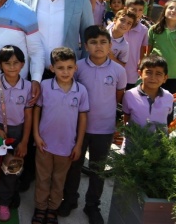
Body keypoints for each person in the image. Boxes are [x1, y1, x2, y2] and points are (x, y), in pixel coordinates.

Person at [59, 26, 126, 223]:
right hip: (77, 128)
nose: (98, 46)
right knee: (74, 166)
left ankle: (92, 205)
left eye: (103, 42)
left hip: (104, 129)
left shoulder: (118, 70)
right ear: (86, 46)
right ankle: (70, 198)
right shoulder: (77, 68)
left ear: (110, 46)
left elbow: (119, 97)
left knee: (97, 169)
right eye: (93, 42)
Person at [32, 47, 88, 224]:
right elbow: (37, 110)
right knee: (42, 178)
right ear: (52, 68)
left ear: (75, 68)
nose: (65, 71)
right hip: (44, 144)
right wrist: (36, 135)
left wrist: (78, 145)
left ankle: (53, 209)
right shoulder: (45, 86)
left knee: (59, 180)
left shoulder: (81, 91)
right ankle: (40, 208)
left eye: (69, 67)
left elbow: (83, 118)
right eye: (60, 67)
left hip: (67, 146)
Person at [0, 45, 32, 222]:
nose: (12, 67)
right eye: (7, 63)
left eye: (16, 63)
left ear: (23, 64)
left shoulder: (27, 87)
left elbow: (28, 114)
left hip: (17, 132)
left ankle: (4, 202)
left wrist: (25, 141)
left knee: (12, 168)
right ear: (0, 65)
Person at [148, 0, 176, 102]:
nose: (174, 10)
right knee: (151, 101)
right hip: (155, 72)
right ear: (164, 11)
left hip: (174, 75)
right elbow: (148, 52)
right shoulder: (154, 29)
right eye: (171, 8)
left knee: (168, 104)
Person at [122, 55, 172, 131]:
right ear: (140, 74)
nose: (153, 77)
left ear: (165, 78)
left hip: (159, 142)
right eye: (149, 72)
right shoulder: (129, 95)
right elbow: (126, 119)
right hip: (134, 141)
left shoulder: (168, 97)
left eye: (158, 74)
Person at [123, 0, 150, 89]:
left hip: (132, 69)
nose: (137, 13)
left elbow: (143, 48)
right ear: (126, 9)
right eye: (133, 9)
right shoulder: (115, 26)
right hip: (115, 67)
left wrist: (141, 64)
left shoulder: (143, 29)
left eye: (140, 10)